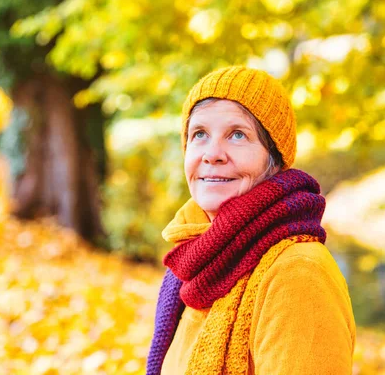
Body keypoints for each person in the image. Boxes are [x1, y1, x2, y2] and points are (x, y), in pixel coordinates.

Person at [146, 66, 356, 375]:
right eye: (199, 134)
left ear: (274, 159)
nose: (212, 154)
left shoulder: (297, 273)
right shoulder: (192, 261)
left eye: (238, 135)